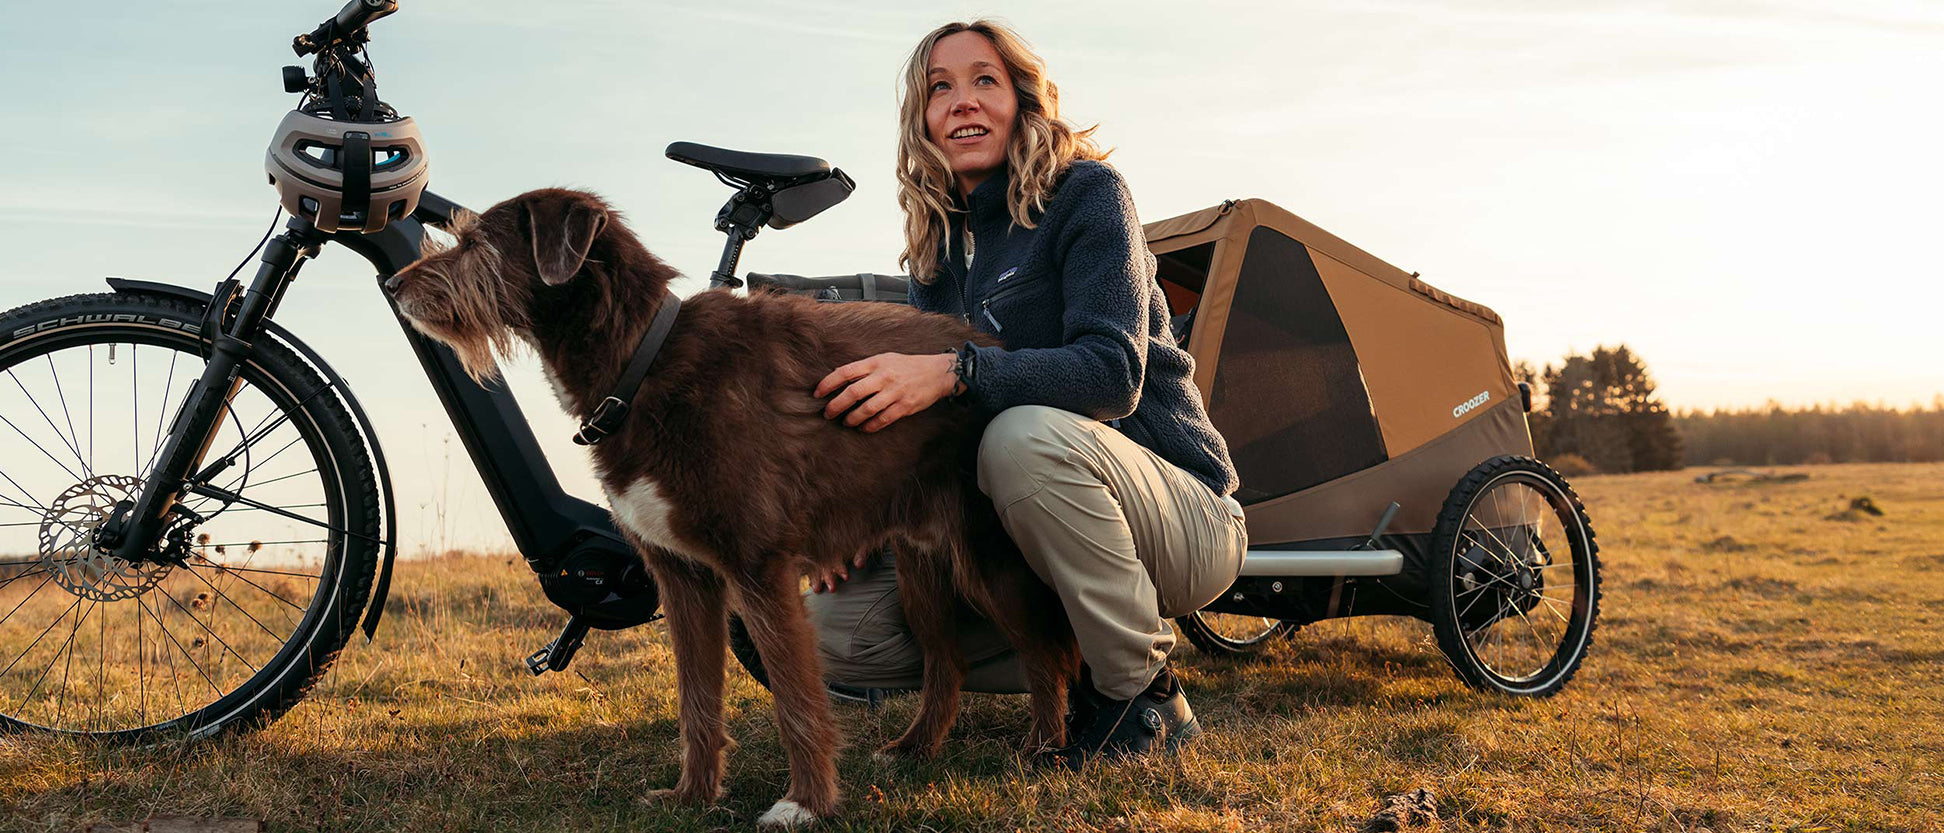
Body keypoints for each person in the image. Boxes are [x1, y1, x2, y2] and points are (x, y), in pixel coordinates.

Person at [809, 19, 1246, 763]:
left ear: (1023, 99)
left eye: (985, 80)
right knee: (836, 636)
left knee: (1021, 438)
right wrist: (850, 517)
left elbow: (1113, 375)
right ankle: (1069, 655)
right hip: (1034, 526)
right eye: (938, 89)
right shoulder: (936, 251)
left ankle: (1143, 695)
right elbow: (932, 432)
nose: (963, 102)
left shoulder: (1089, 196)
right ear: (922, 120)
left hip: (1181, 514)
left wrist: (955, 370)